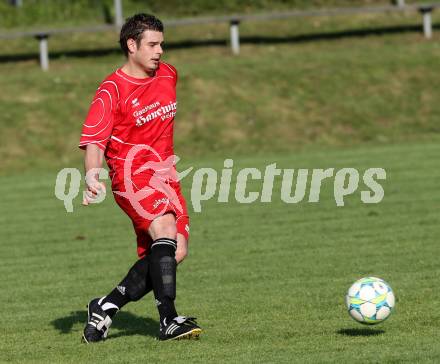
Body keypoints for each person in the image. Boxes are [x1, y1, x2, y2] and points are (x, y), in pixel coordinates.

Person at [78, 13, 201, 343]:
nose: (160, 51)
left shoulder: (169, 75)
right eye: (152, 44)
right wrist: (93, 175)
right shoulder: (111, 91)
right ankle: (169, 319)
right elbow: (94, 141)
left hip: (166, 176)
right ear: (131, 46)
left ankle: (105, 306)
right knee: (164, 230)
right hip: (132, 178)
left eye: (162, 44)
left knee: (174, 252)